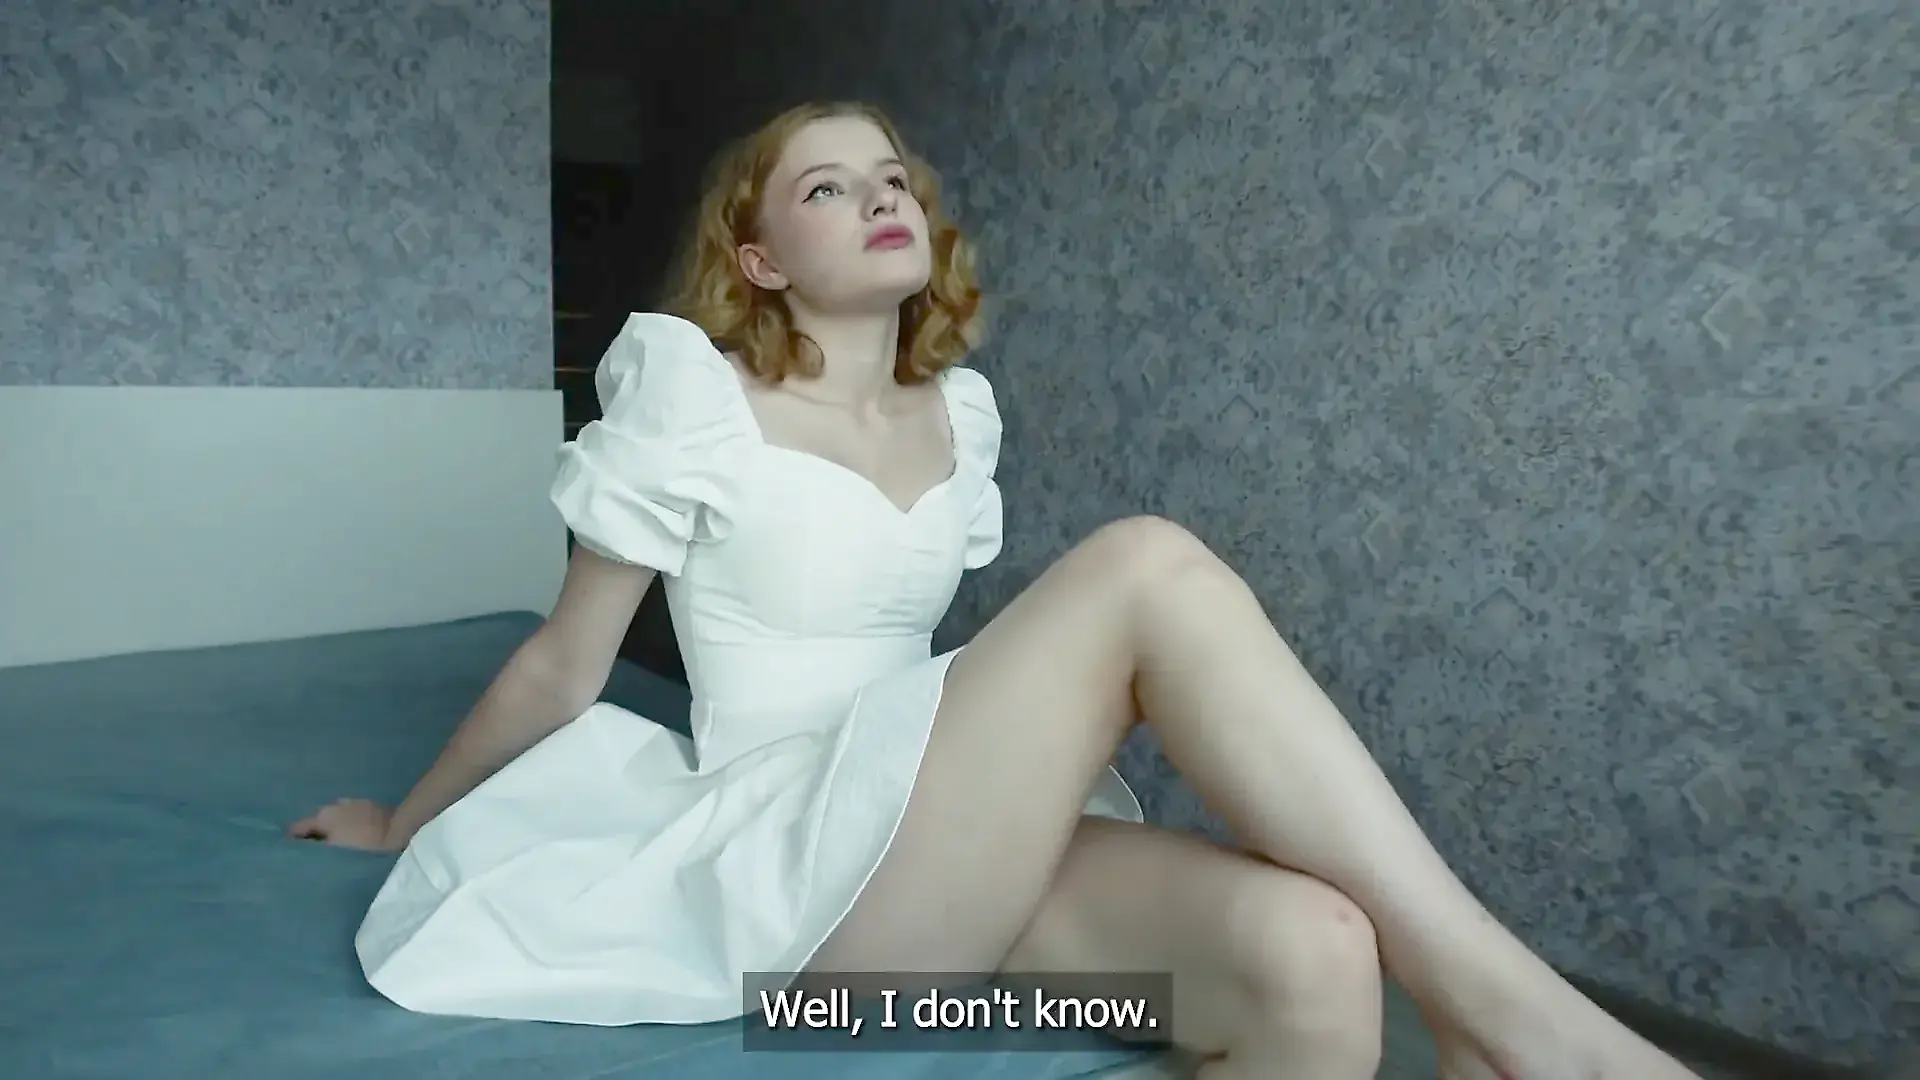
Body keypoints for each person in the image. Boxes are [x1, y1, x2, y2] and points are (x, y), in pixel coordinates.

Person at [291, 101, 1703, 1080]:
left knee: (1316, 953)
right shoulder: (690, 396)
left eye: (892, 179)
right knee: (1143, 565)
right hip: (808, 921)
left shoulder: (958, 417)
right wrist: (402, 825)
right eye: (825, 187)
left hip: (939, 862)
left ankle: (1490, 1025)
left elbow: (933, 715)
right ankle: (1521, 1024)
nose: (879, 197)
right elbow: (566, 661)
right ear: (759, 260)